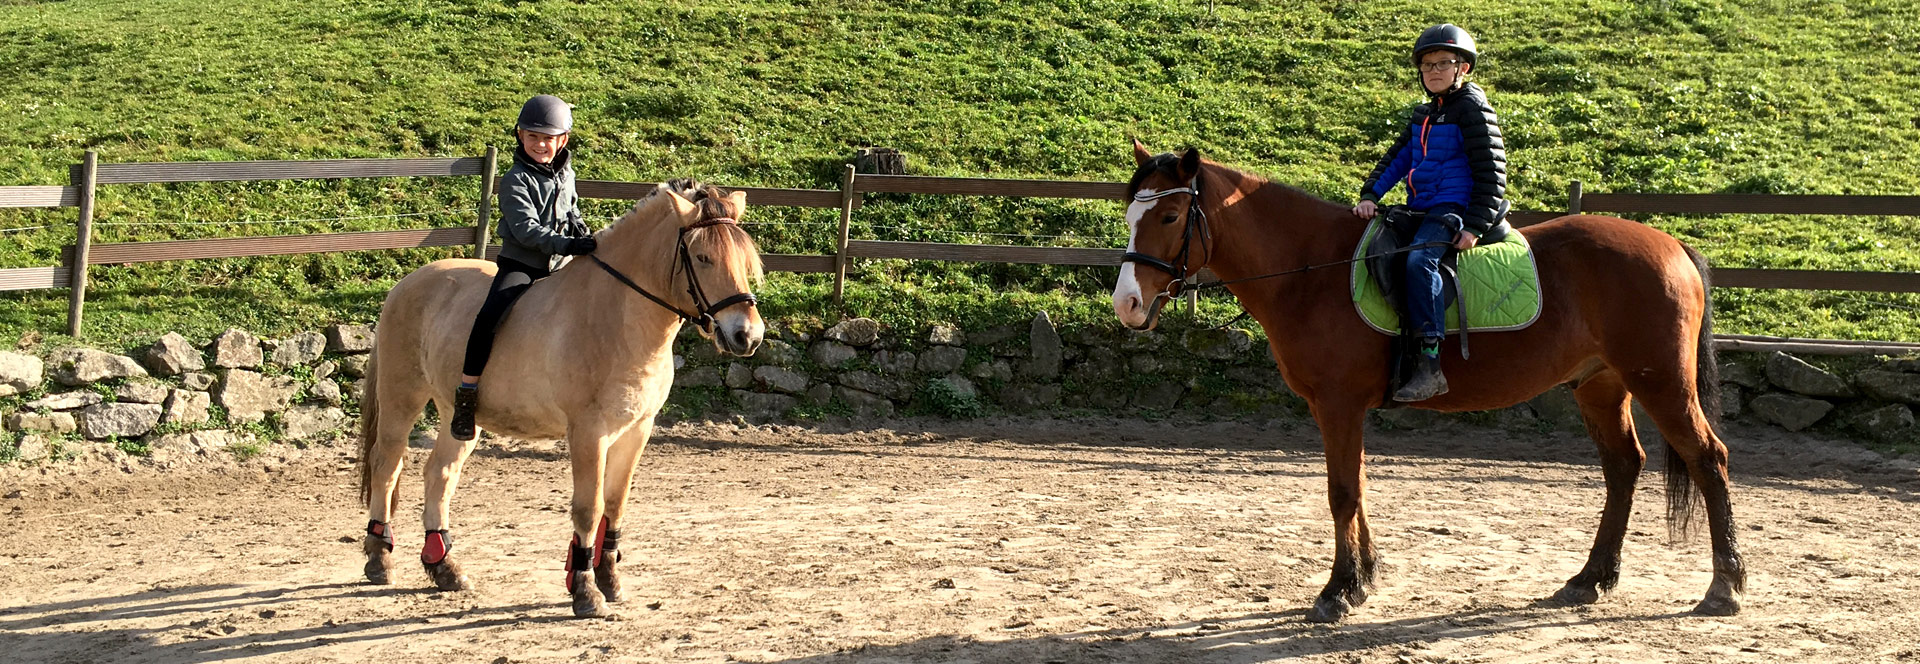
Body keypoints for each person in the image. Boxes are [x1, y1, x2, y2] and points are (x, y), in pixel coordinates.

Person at [1351, 24, 1508, 402]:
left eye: (1443, 63)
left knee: (1420, 261)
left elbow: (1492, 174)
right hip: (1420, 208)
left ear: (1463, 68)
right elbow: (1399, 158)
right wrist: (1371, 192)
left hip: (1454, 209)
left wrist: (1474, 225)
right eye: (1427, 65)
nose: (1434, 71)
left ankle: (1430, 363)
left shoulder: (1473, 110)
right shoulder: (1424, 114)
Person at [450, 94, 599, 441]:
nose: (540, 144)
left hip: (561, 265)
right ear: (520, 136)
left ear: (562, 140)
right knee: (489, 317)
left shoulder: (567, 174)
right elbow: (526, 230)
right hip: (524, 264)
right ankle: (467, 395)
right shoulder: (515, 179)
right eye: (533, 136)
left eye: (548, 138)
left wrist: (584, 235)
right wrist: (567, 244)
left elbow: (571, 212)